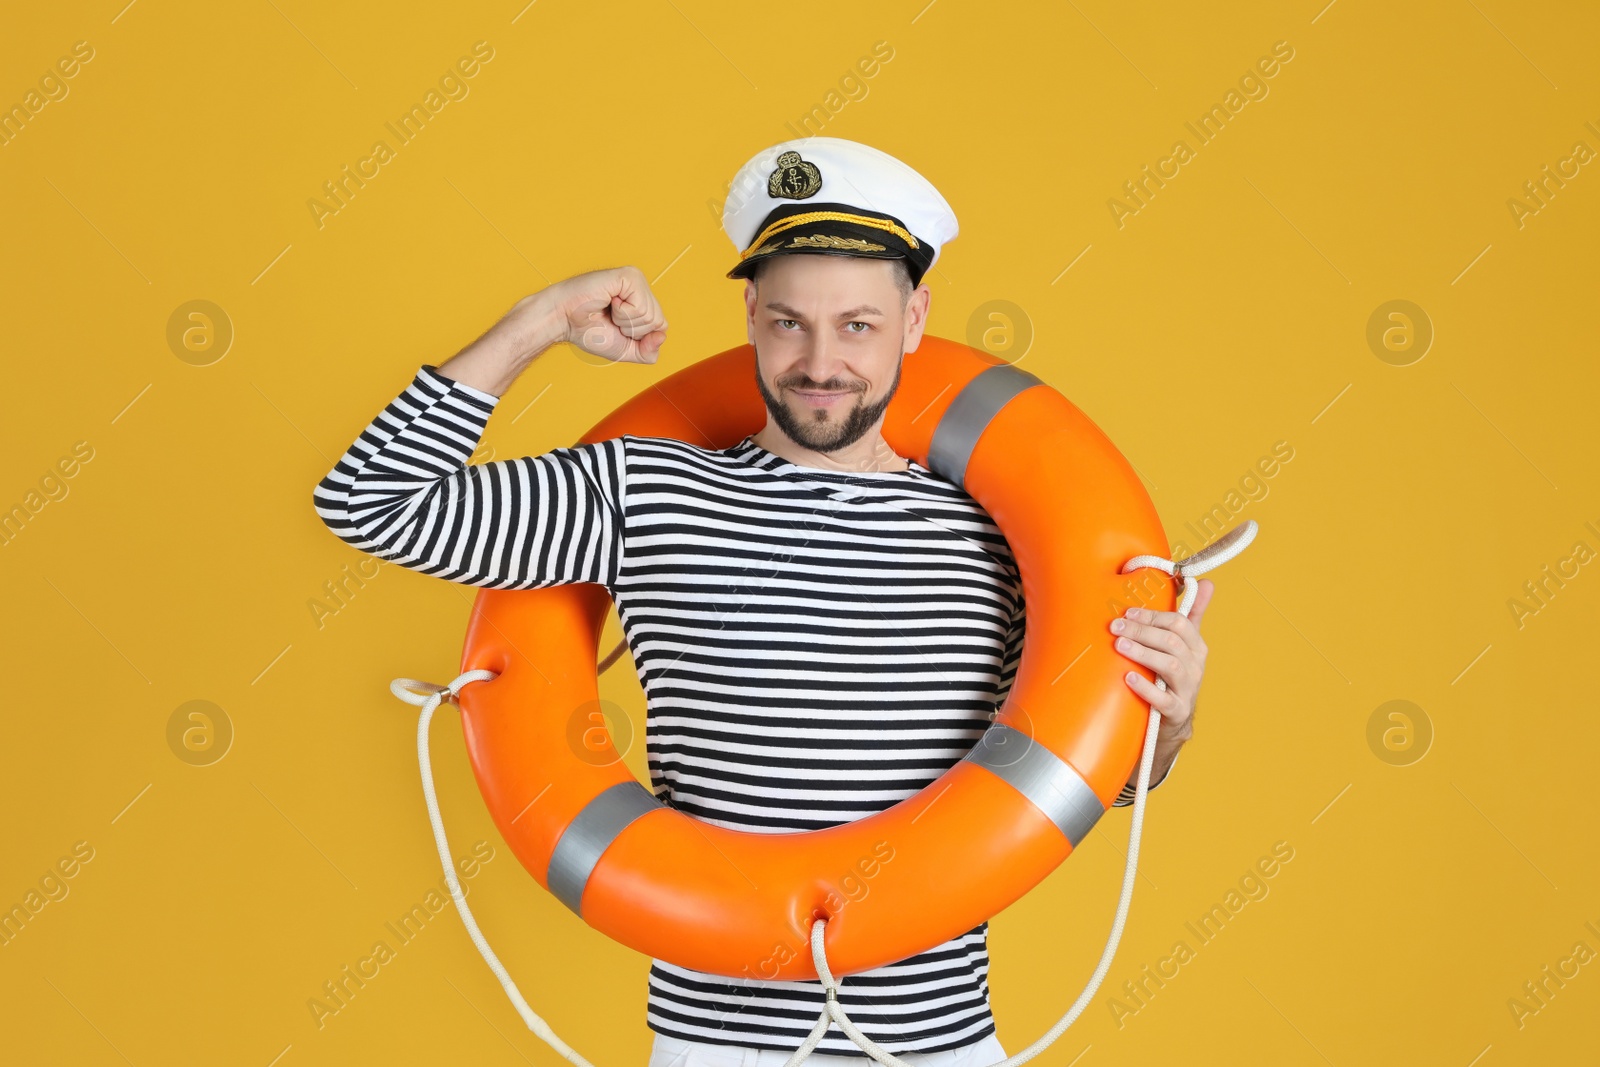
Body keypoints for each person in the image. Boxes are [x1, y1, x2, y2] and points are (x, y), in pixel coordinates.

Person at [312, 137, 1213, 1067]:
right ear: (749, 314)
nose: (821, 363)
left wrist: (1166, 724)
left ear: (916, 320)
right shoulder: (641, 494)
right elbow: (372, 500)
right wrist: (536, 322)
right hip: (718, 1048)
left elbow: (1094, 778)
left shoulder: (997, 533)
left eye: (858, 325)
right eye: (790, 322)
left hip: (940, 1047)